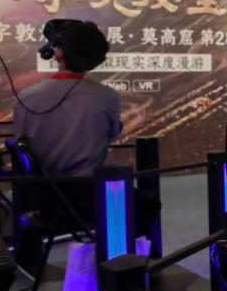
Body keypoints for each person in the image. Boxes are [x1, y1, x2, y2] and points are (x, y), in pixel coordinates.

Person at [13, 19, 159, 247]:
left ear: (57, 52)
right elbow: (110, 134)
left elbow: (21, 144)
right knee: (147, 205)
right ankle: (124, 261)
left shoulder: (25, 97)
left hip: (40, 199)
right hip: (91, 196)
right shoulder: (106, 97)